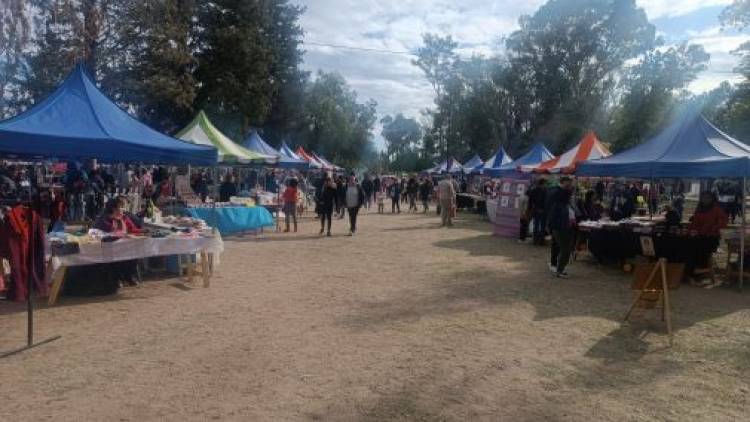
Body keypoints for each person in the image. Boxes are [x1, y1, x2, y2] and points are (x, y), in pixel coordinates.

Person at [93, 197, 143, 286]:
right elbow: (109, 231)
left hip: (125, 245)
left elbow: (132, 229)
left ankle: (128, 277)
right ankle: (116, 278)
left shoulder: (124, 217)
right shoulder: (103, 219)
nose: (121, 209)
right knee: (114, 257)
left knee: (134, 252)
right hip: (109, 248)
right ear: (113, 208)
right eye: (119, 207)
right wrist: (122, 234)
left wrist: (142, 231)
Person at [686, 192, 728, 284]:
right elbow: (694, 224)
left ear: (712, 199)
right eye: (703, 198)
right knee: (687, 245)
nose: (705, 200)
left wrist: (712, 228)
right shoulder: (699, 209)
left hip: (711, 238)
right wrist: (691, 231)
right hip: (699, 236)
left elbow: (723, 221)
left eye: (707, 198)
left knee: (697, 249)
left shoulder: (716, 209)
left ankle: (696, 272)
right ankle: (689, 272)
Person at [547, 177, 576, 279]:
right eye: (568, 185)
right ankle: (558, 269)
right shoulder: (558, 202)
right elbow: (554, 217)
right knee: (564, 249)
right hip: (560, 227)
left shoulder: (566, 204)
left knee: (565, 249)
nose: (570, 190)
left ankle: (559, 268)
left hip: (565, 227)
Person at [528, 179, 548, 245]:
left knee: (536, 225)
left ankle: (535, 240)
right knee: (542, 226)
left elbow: (530, 200)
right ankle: (541, 240)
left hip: (535, 209)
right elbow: (545, 201)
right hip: (542, 210)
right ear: (543, 183)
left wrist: (530, 209)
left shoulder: (533, 190)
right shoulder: (545, 190)